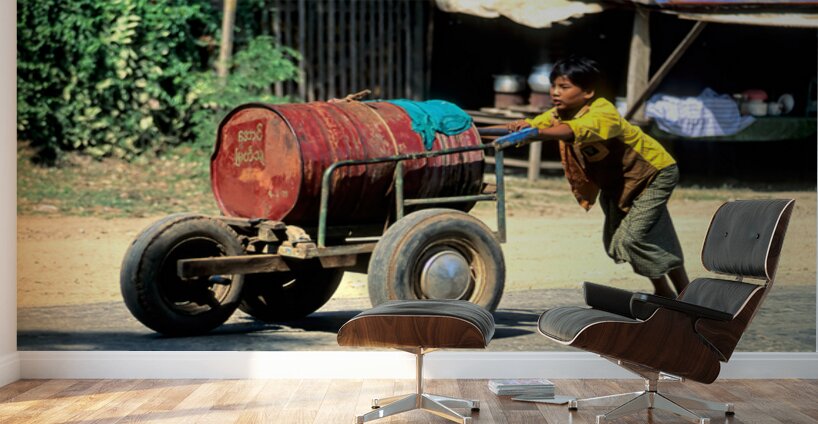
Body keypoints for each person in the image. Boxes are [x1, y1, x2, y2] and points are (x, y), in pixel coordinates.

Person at [499, 56, 689, 297]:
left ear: (588, 91)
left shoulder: (603, 112)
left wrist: (536, 132)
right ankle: (668, 292)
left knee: (630, 240)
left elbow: (572, 130)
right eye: (553, 86)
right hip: (618, 182)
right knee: (642, 236)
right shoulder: (559, 113)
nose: (555, 92)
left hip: (653, 174)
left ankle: (683, 293)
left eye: (564, 87)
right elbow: (532, 127)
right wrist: (471, 130)